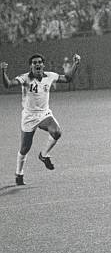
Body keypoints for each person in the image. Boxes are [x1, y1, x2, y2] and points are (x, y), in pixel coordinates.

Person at [1, 53, 80, 186]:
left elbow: (67, 78)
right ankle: (19, 174)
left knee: (57, 132)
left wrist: (75, 64)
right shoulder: (25, 78)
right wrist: (3, 71)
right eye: (34, 63)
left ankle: (44, 155)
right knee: (25, 148)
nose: (37, 64)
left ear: (43, 64)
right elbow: (8, 84)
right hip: (29, 117)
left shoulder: (49, 76)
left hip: (44, 114)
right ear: (31, 66)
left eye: (39, 62)